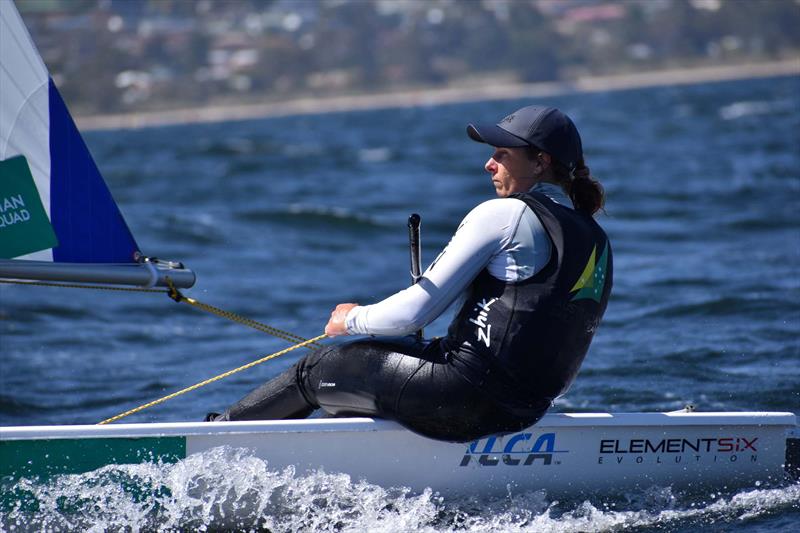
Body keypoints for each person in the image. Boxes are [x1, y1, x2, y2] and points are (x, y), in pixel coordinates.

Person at [208, 105, 612, 442]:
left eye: (502, 154)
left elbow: (414, 313)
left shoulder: (505, 215)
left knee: (317, 370)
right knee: (370, 379)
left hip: (464, 397)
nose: (488, 163)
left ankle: (216, 444)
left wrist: (349, 319)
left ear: (540, 161)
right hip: (524, 412)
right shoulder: (595, 238)